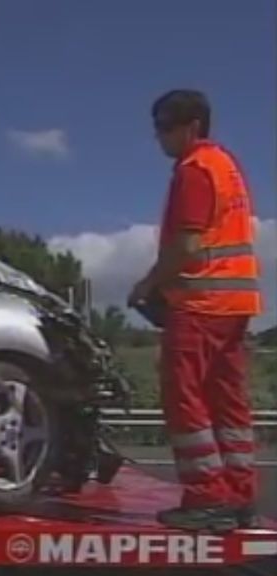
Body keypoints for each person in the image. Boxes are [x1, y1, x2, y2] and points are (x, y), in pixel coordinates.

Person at [128, 89, 262, 532]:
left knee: (185, 400)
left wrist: (149, 285)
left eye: (165, 127)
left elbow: (187, 245)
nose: (159, 137)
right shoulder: (226, 166)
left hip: (201, 305)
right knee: (228, 404)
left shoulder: (194, 169)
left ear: (192, 127)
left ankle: (207, 497)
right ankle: (239, 496)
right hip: (235, 305)